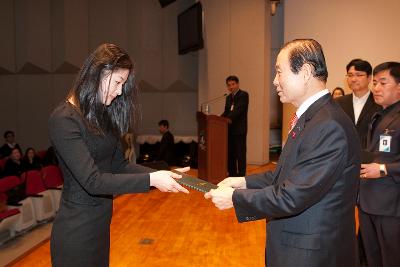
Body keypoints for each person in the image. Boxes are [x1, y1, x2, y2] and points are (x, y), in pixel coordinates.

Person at [205, 39, 360, 267]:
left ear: (306, 72)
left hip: (312, 255)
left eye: (279, 72)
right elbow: (288, 173)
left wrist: (234, 199)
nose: (274, 81)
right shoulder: (314, 118)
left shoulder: (328, 125)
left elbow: (292, 195)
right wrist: (244, 182)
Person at [48, 43, 189, 267]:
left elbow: (120, 166)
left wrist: (163, 173)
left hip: (100, 226)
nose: (120, 91)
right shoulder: (64, 119)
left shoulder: (102, 116)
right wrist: (152, 180)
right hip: (77, 232)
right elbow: (93, 181)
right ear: (97, 74)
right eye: (118, 82)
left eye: (123, 83)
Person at [359, 62, 400, 267]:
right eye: (374, 82)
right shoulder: (377, 115)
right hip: (368, 201)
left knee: (391, 259)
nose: (376, 88)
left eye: (383, 83)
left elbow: (385, 163)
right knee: (372, 258)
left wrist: (383, 169)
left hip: (391, 206)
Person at [336, 59, 380, 149]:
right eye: (350, 75)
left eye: (359, 75)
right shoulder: (338, 103)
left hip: (370, 157)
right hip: (344, 156)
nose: (353, 79)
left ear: (369, 78)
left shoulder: (379, 102)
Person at [221, 75, 249, 176]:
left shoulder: (243, 95)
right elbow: (226, 112)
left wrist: (228, 118)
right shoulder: (228, 98)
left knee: (240, 154)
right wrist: (219, 119)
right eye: (229, 85)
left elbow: (238, 110)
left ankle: (241, 175)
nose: (231, 87)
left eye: (233, 84)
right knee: (231, 154)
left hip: (239, 130)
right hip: (229, 130)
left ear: (237, 84)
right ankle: (232, 174)